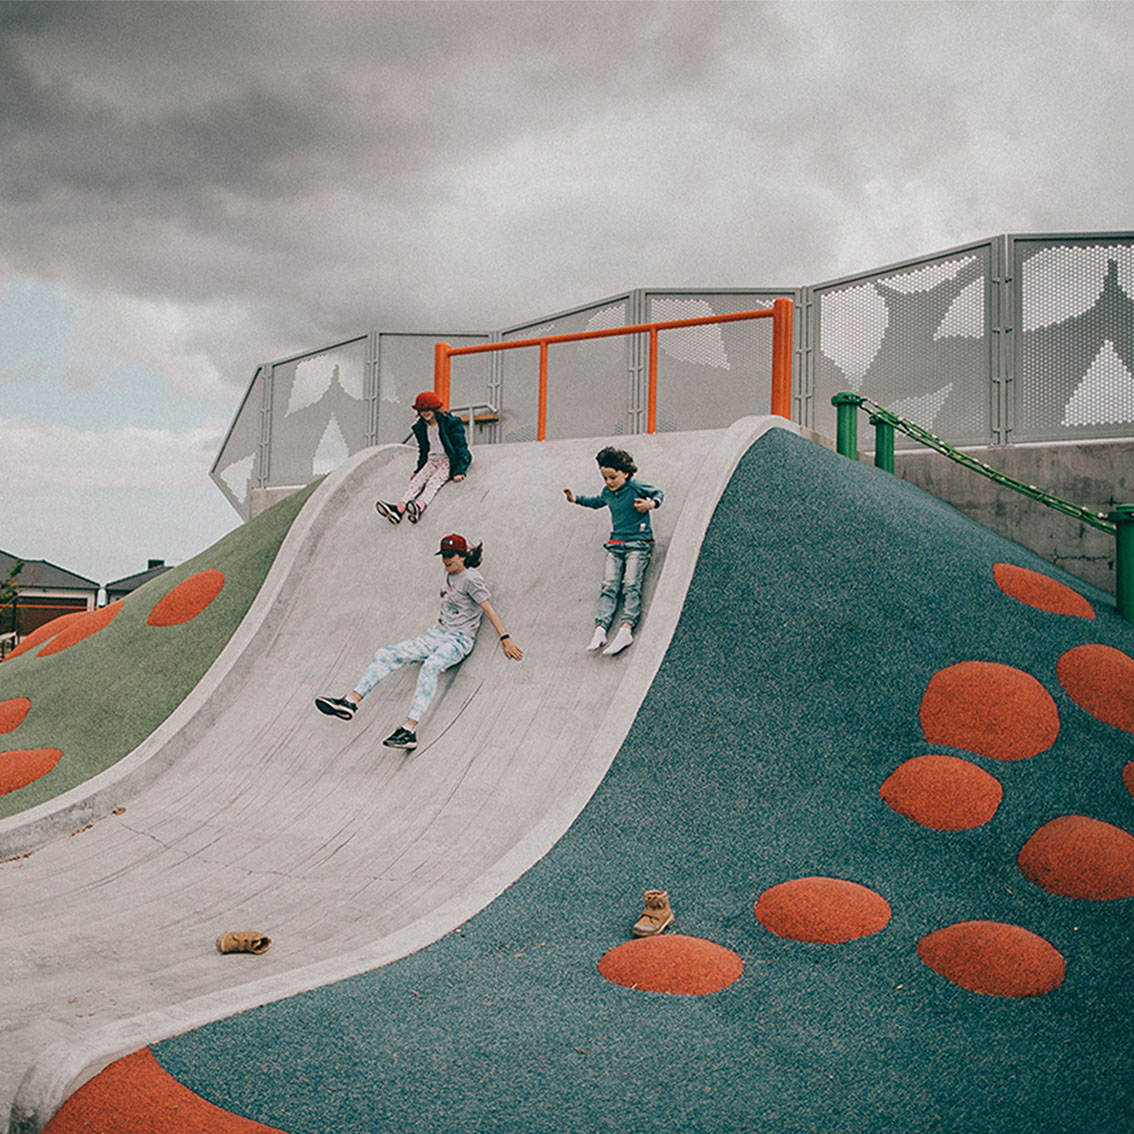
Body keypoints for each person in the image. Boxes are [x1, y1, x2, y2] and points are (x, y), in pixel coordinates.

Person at [315, 533, 522, 750]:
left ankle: (409, 730)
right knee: (385, 654)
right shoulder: (448, 573)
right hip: (435, 635)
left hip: (459, 641)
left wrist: (505, 639)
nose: (446, 560)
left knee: (430, 667)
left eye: (450, 556)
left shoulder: (472, 579)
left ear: (462, 556)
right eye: (443, 556)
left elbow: (487, 608)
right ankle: (351, 701)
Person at [563, 446, 663, 656]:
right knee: (609, 585)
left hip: (638, 543)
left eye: (613, 477)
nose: (609, 482)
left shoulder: (635, 486)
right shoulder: (608, 492)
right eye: (605, 477)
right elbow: (597, 502)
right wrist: (575, 499)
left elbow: (658, 493)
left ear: (625, 473)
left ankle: (626, 629)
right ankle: (601, 628)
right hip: (615, 545)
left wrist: (650, 504)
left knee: (630, 584)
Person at [375, 391, 472, 524]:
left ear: (435, 409)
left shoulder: (450, 423)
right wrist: (418, 470)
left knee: (433, 483)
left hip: (447, 460)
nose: (425, 413)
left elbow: (461, 447)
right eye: (422, 410)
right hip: (432, 460)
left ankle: (420, 506)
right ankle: (400, 508)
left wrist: (459, 470)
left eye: (428, 410)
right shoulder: (421, 427)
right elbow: (424, 450)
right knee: (417, 482)